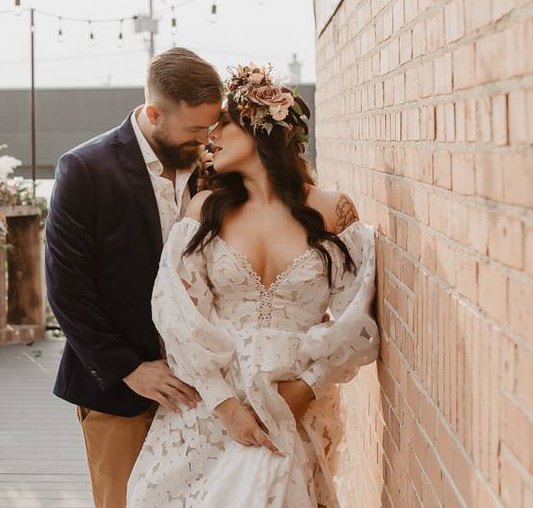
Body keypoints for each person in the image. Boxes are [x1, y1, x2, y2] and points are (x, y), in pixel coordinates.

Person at [128, 63, 379, 507]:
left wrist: (306, 386)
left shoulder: (331, 210)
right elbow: (178, 314)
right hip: (210, 411)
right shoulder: (206, 210)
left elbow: (356, 316)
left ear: (262, 128)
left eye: (223, 123)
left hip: (293, 404)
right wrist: (227, 406)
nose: (211, 135)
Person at [45, 47, 225, 508]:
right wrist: (128, 369)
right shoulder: (85, 168)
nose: (207, 140)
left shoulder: (214, 170)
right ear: (153, 114)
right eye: (196, 129)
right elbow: (67, 288)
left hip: (206, 393)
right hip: (121, 393)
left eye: (211, 127)